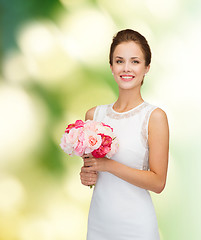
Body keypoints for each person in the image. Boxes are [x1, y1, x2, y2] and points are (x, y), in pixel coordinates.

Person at [80, 29, 169, 240]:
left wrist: (108, 165)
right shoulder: (94, 115)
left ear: (147, 67)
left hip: (136, 226)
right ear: (111, 67)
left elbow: (158, 182)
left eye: (135, 62)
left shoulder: (154, 117)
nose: (126, 68)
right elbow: (91, 172)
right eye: (119, 61)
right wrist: (86, 175)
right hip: (99, 223)